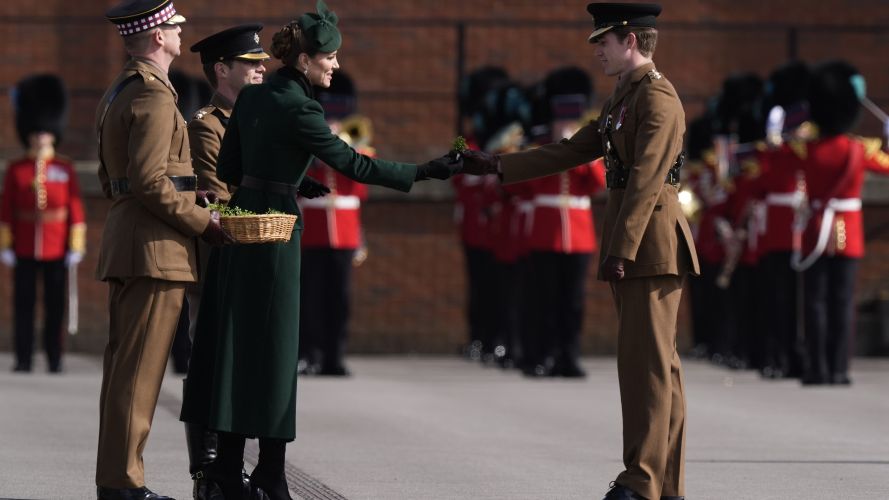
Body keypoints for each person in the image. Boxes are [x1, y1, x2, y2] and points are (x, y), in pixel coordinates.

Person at [179, 2, 463, 498]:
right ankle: (269, 470)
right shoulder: (302, 108)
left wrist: (291, 177)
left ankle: (226, 466)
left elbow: (229, 168)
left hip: (243, 225)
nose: (335, 64)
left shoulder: (252, 99)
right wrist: (427, 170)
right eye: (329, 57)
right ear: (305, 61)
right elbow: (356, 165)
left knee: (234, 348)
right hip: (275, 236)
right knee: (276, 351)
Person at [464, 3, 698, 499]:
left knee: (648, 369)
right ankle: (665, 484)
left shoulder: (656, 98)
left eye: (604, 41)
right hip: (638, 244)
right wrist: (496, 165)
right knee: (654, 369)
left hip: (650, 246)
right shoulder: (624, 98)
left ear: (630, 40)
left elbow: (646, 181)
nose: (598, 51)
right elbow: (571, 150)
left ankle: (642, 481)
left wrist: (621, 248)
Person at [94, 1, 232, 498]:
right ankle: (123, 485)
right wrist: (203, 221)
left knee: (125, 374)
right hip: (154, 249)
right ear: (156, 37)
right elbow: (152, 182)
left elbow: (130, 178)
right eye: (174, 27)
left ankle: (118, 481)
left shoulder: (124, 89)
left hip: (135, 241)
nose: (181, 32)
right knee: (137, 378)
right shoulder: (152, 97)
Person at [0, 74, 85, 374]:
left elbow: (74, 207)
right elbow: (7, 209)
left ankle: (54, 357)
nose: (40, 137)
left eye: (45, 133)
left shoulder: (64, 168)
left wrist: (75, 245)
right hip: (23, 244)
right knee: (23, 307)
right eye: (36, 133)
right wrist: (6, 244)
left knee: (54, 307)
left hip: (55, 246)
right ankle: (23, 358)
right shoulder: (16, 169)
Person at [298, 71, 369, 377]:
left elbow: (360, 186)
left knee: (339, 301)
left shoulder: (355, 145)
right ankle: (308, 354)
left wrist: (343, 149)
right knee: (309, 299)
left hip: (343, 234)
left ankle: (334, 357)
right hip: (311, 232)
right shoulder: (306, 147)